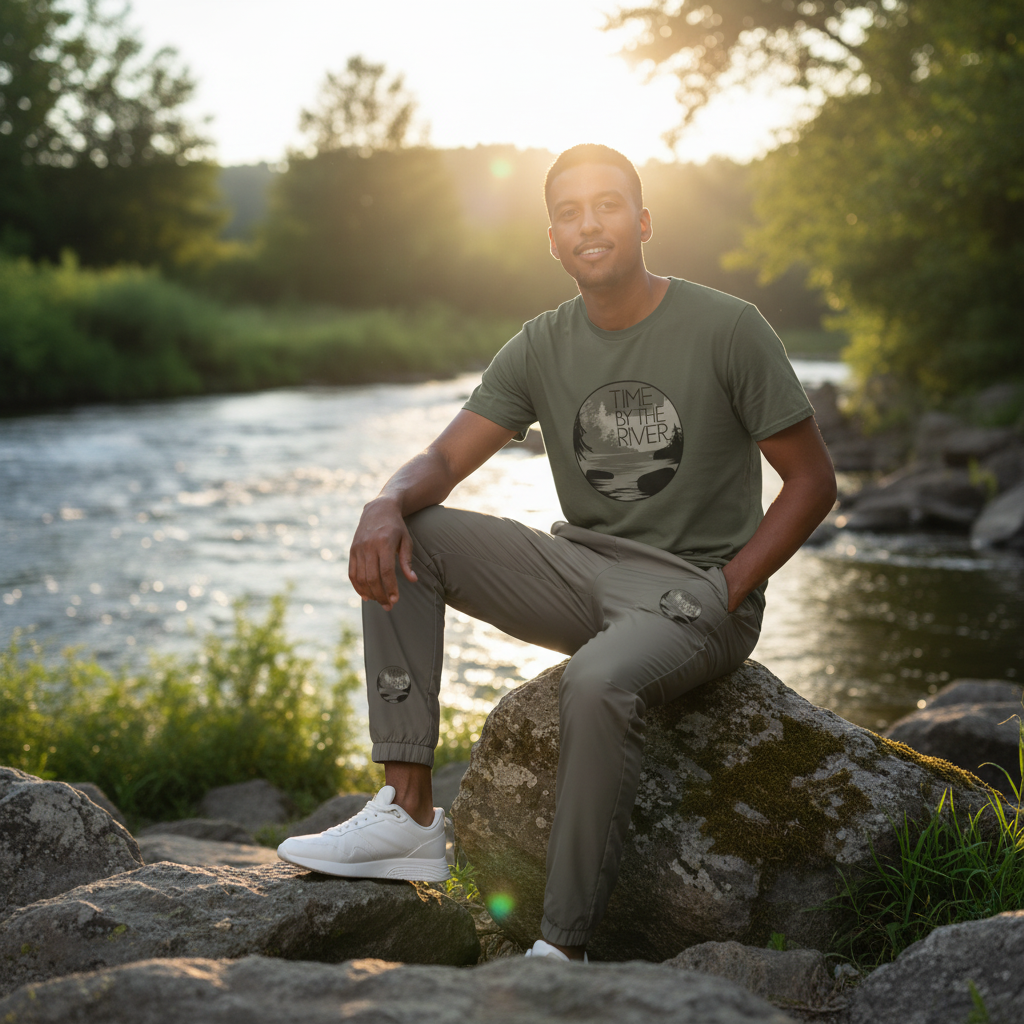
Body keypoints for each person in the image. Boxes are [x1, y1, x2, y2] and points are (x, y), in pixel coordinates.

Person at [278, 143, 837, 962]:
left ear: (642, 222)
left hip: (694, 590)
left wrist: (729, 588)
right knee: (417, 536)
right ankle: (407, 815)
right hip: (581, 568)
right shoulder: (541, 344)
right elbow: (441, 461)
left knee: (598, 680)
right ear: (552, 240)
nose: (590, 224)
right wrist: (384, 501)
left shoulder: (727, 327)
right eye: (569, 212)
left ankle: (561, 949)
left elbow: (812, 482)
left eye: (607, 205)